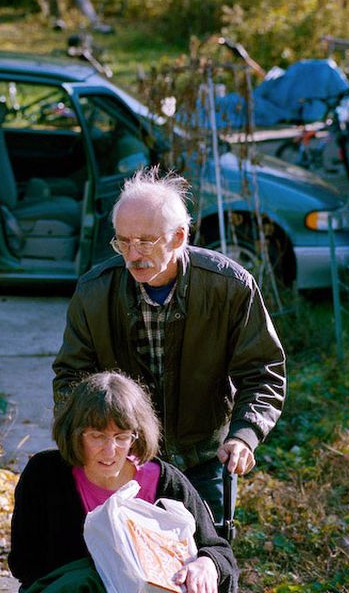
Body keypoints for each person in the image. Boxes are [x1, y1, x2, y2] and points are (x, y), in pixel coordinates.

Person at [52, 167, 286, 522]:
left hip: (203, 457)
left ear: (178, 238)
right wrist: (93, 445)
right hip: (122, 460)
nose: (132, 254)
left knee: (205, 561)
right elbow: (72, 377)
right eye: (123, 242)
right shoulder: (95, 291)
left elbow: (263, 371)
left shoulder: (230, 286)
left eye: (145, 241)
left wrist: (244, 435)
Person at [9, 371, 237, 593]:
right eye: (97, 436)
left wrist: (208, 564)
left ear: (136, 436)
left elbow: (220, 552)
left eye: (121, 437)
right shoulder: (45, 475)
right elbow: (25, 566)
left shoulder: (164, 481)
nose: (110, 451)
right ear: (75, 433)